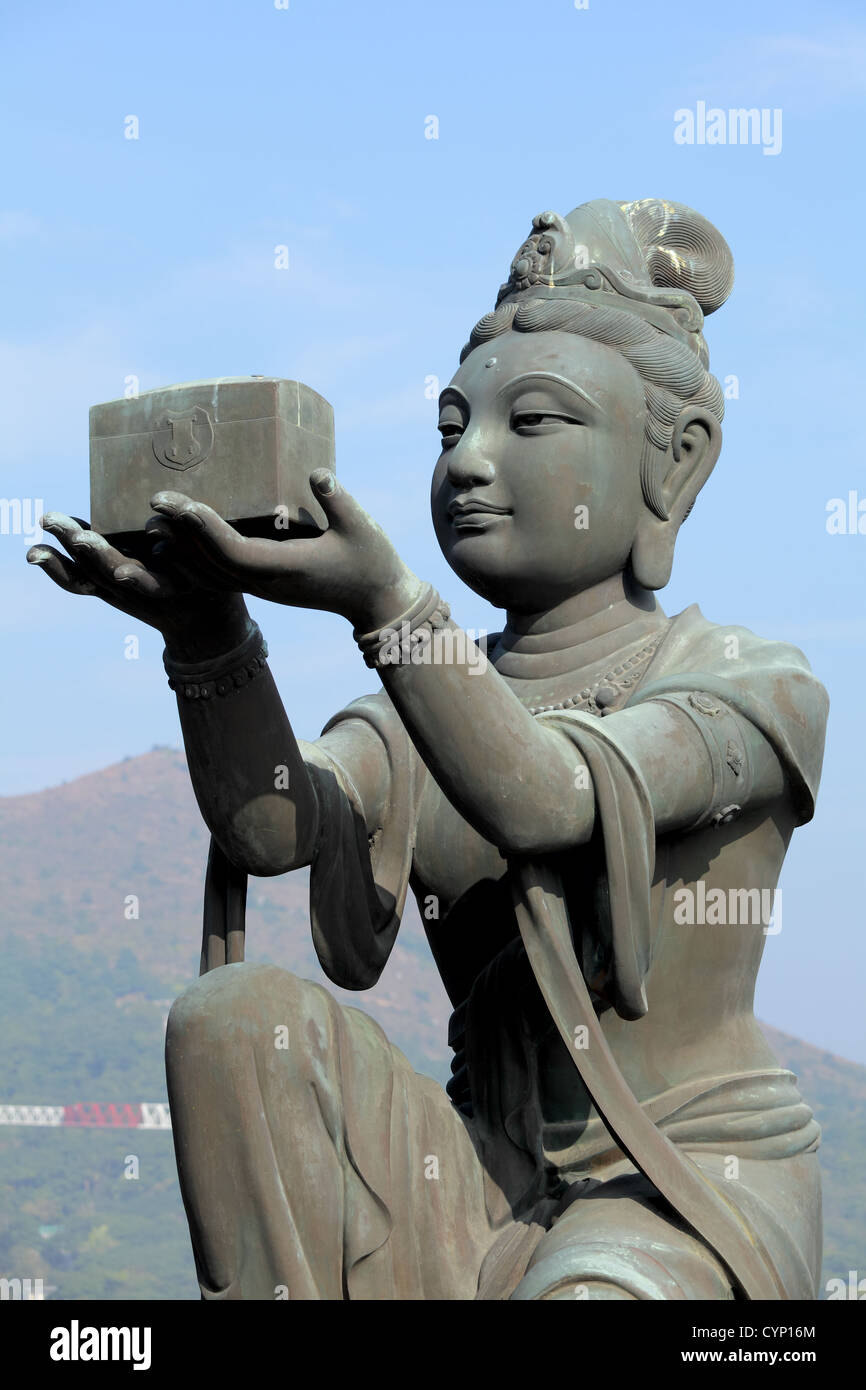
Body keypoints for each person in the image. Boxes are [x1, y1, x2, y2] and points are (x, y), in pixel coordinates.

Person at [28, 198, 828, 1300]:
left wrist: (386, 607)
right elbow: (275, 828)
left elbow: (548, 797)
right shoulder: (419, 708)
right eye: (452, 428)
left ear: (675, 465)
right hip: (469, 1177)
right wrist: (208, 640)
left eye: (531, 422)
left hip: (675, 1187)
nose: (469, 462)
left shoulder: (748, 681)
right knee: (232, 1019)